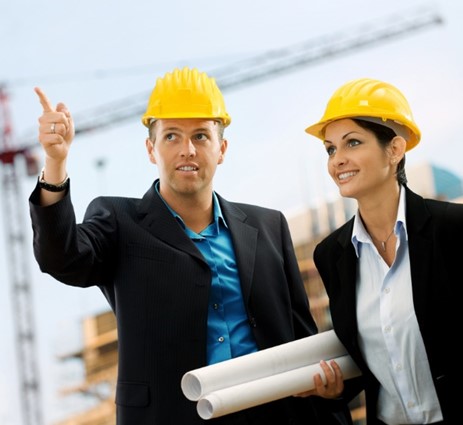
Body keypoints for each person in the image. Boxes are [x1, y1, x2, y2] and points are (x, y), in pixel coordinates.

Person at [29, 67, 353, 425]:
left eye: (201, 136)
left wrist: (332, 392)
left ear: (221, 149)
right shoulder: (119, 221)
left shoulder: (268, 226)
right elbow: (62, 257)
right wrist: (55, 164)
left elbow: (301, 340)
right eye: (171, 136)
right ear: (151, 149)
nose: (187, 150)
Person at [304, 77, 458, 424]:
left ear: (395, 149)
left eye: (352, 143)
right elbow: (368, 354)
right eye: (330, 149)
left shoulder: (452, 229)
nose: (337, 160)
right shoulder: (332, 256)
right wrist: (337, 390)